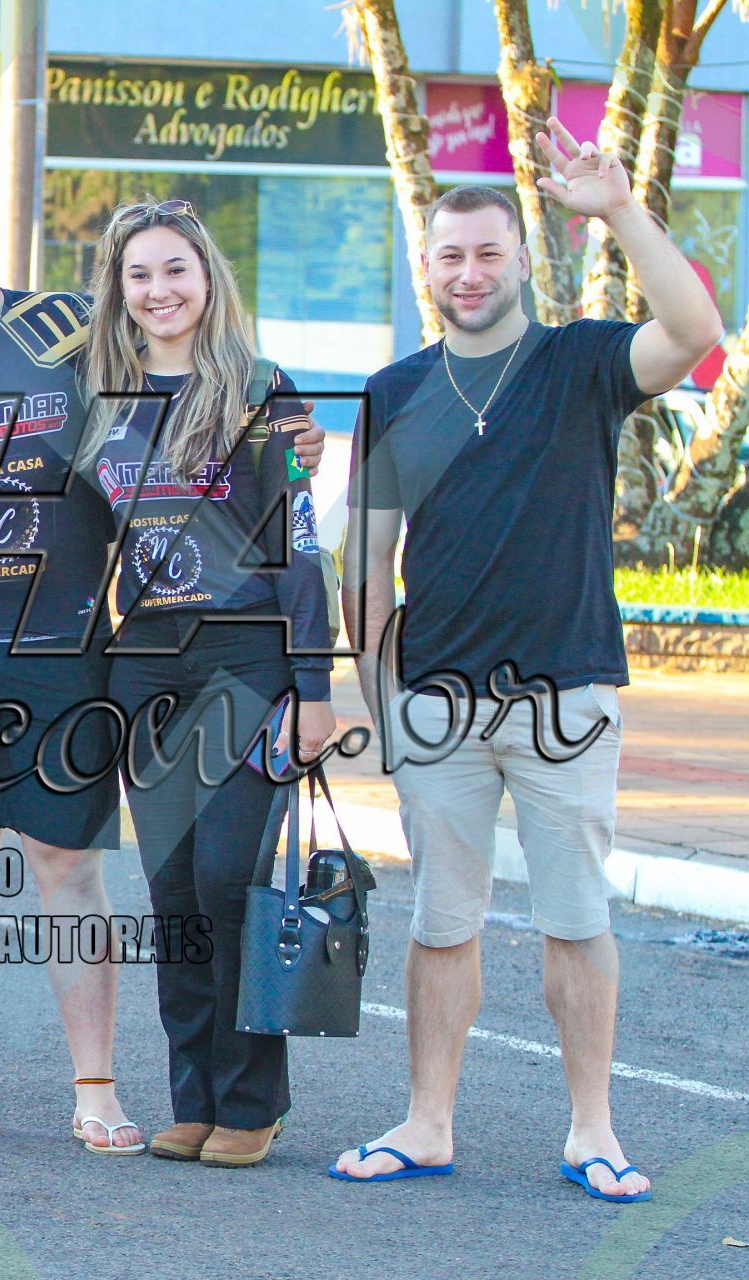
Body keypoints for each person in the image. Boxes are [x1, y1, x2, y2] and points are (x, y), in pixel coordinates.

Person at [0, 153, 323, 1152]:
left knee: (76, 868)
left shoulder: (69, 331)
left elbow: (193, 396)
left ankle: (99, 1088)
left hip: (71, 648)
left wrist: (288, 440)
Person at [334, 121, 721, 1200]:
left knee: (577, 920)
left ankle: (594, 1129)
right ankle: (427, 1122)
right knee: (439, 924)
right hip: (436, 705)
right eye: (450, 255)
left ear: (520, 260)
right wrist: (385, 708)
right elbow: (365, 563)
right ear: (428, 266)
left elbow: (693, 331)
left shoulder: (581, 363)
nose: (469, 271)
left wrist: (619, 209)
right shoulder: (394, 390)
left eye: (489, 252)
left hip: (568, 694)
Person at [80, 198, 336, 1167]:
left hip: (248, 658)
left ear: (207, 278)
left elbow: (299, 544)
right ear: (119, 290)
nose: (159, 291)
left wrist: (314, 684)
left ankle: (254, 1100)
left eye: (175, 269)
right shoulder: (100, 396)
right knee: (173, 891)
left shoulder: (262, 391)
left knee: (230, 879)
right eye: (139, 274)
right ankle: (194, 1096)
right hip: (145, 665)